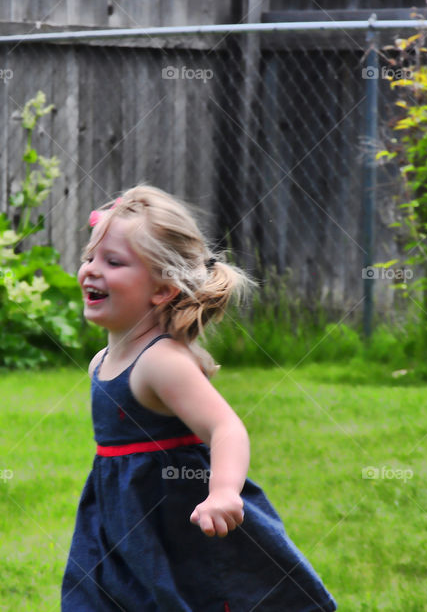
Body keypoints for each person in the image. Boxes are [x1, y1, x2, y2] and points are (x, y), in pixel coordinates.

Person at [61, 185, 338, 611]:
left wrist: (224, 492)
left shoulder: (161, 361)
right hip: (121, 522)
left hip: (178, 522)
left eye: (113, 262)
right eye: (90, 257)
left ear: (162, 289)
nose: (91, 271)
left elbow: (225, 427)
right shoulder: (103, 360)